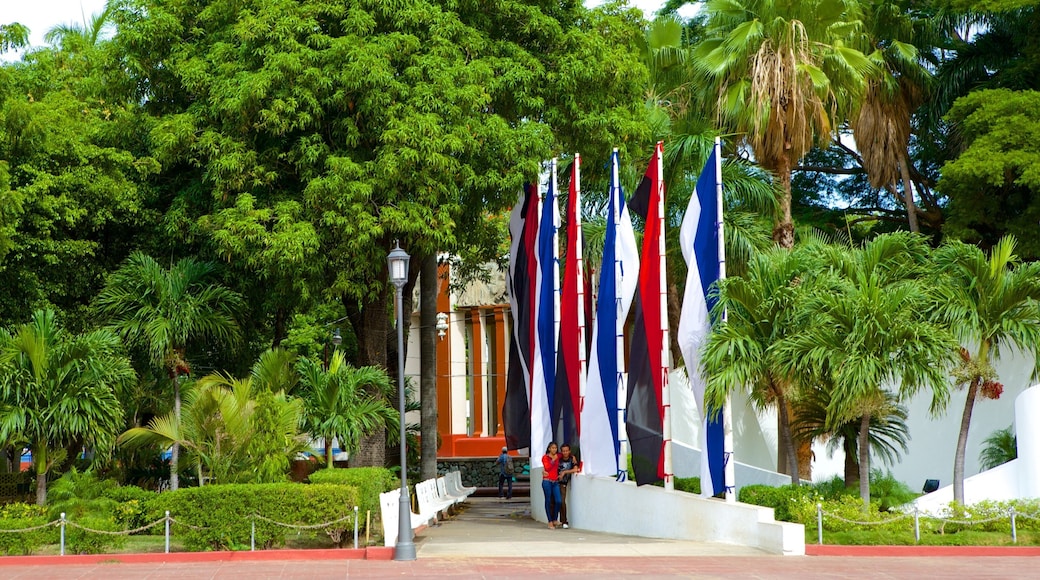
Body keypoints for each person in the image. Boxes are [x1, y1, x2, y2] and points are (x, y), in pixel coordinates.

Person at [557, 444, 579, 529]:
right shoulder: (558, 459)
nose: (565, 452)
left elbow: (576, 469)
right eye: (563, 451)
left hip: (563, 483)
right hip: (555, 482)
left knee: (562, 502)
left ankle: (564, 521)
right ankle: (553, 520)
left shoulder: (571, 460)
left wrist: (565, 472)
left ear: (569, 451)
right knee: (554, 502)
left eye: (566, 451)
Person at [541, 441, 562, 529]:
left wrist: (573, 458)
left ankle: (554, 519)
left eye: (555, 448)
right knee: (548, 501)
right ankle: (549, 521)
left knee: (558, 501)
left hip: (555, 481)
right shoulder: (545, 457)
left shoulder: (558, 456)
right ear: (549, 449)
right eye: (552, 448)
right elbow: (547, 468)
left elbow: (565, 455)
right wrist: (553, 460)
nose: (554, 450)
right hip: (547, 481)